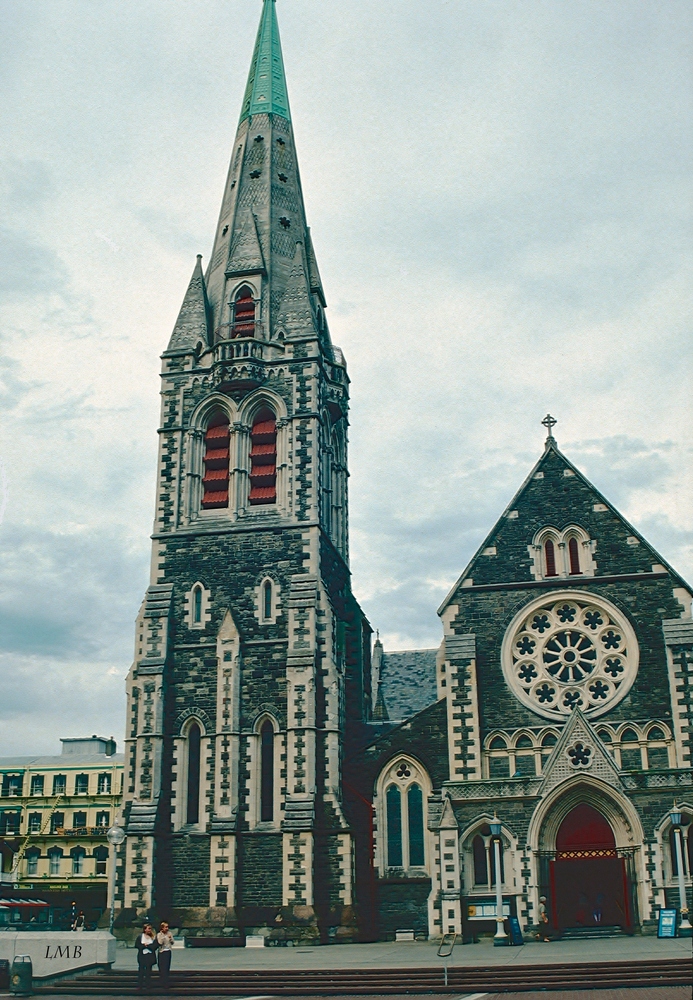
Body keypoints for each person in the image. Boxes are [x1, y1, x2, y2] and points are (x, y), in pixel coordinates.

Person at [135, 922, 158, 991]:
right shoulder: (140, 937)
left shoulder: (153, 937)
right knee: (141, 971)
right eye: (148, 929)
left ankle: (148, 985)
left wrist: (148, 946)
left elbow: (155, 946)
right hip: (142, 955)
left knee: (148, 971)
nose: (149, 930)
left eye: (150, 929)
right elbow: (137, 945)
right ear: (145, 929)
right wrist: (143, 945)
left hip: (150, 955)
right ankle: (140, 985)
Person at [156, 921, 174, 987]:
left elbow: (172, 942)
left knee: (167, 967)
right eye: (165, 927)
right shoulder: (159, 934)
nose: (167, 928)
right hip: (162, 951)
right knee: (161, 967)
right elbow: (160, 943)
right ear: (162, 928)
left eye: (167, 927)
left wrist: (170, 938)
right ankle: (162, 981)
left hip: (168, 951)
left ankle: (166, 981)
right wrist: (163, 936)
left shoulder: (170, 933)